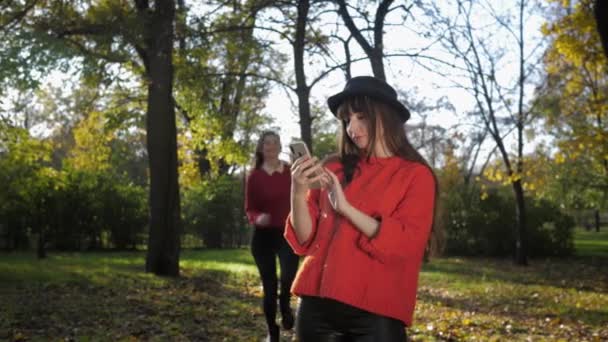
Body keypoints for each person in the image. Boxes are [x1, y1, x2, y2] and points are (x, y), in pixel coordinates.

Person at [286, 76, 438, 341]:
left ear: (385, 116)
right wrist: (298, 192)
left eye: (361, 117)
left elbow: (407, 245)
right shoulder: (332, 167)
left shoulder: (416, 176)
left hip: (375, 315)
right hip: (315, 310)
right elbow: (303, 238)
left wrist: (345, 208)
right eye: (347, 120)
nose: (352, 128)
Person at [245, 131, 300, 342]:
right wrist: (257, 217)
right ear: (261, 148)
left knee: (288, 278)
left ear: (280, 146)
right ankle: (272, 331)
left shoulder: (290, 171)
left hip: (288, 233)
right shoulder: (254, 176)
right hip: (263, 237)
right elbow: (249, 208)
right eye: (267, 143)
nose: (271, 146)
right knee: (269, 286)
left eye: (275, 143)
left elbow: (303, 194)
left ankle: (285, 305)